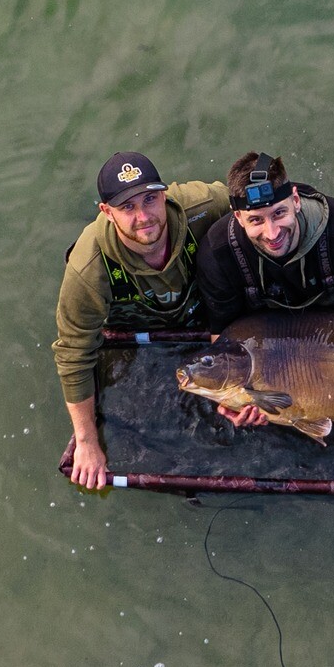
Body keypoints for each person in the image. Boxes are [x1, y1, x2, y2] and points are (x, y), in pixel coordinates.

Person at [55, 152, 229, 488]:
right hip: (134, 328)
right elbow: (73, 353)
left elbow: (261, 203)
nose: (143, 216)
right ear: (106, 212)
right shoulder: (88, 268)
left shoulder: (204, 205)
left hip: (203, 311)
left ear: (164, 194)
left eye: (150, 199)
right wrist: (87, 441)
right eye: (127, 207)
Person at [193, 150, 334, 428]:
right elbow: (223, 334)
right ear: (237, 217)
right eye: (256, 220)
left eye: (279, 213)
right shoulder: (216, 253)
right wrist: (229, 400)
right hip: (269, 347)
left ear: (295, 200)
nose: (272, 233)